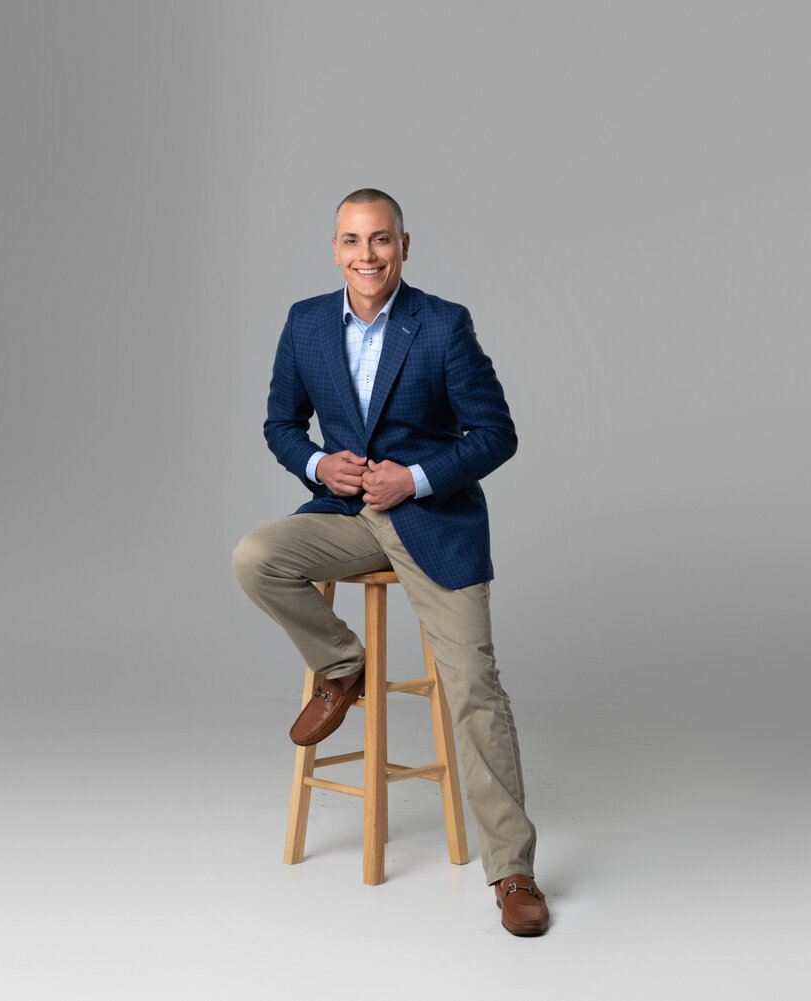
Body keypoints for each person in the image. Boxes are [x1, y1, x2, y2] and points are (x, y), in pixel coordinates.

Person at [232, 188, 549, 936]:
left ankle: (512, 869)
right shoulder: (306, 322)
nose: (366, 255)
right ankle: (343, 665)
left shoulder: (443, 324)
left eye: (380, 239)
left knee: (474, 687)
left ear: (404, 245)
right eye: (352, 240)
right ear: (334, 249)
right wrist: (318, 465)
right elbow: (280, 424)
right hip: (347, 517)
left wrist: (417, 478)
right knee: (257, 557)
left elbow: (495, 433)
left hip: (433, 521)